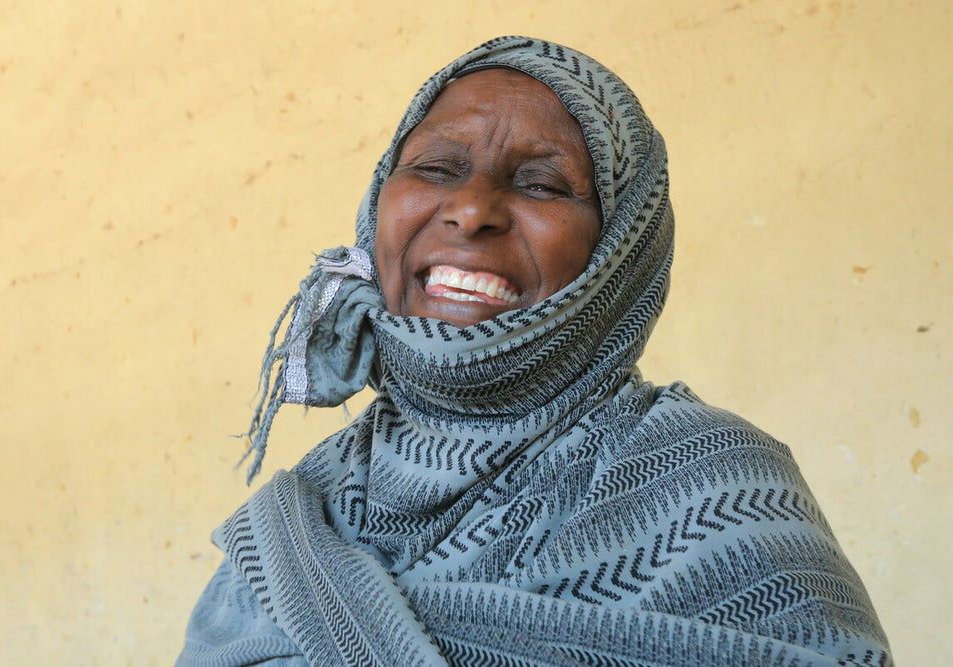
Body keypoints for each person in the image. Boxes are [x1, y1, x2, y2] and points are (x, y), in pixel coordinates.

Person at [176, 36, 891, 666]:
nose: (471, 209)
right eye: (437, 167)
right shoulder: (294, 528)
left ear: (618, 255)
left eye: (542, 184)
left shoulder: (716, 491)